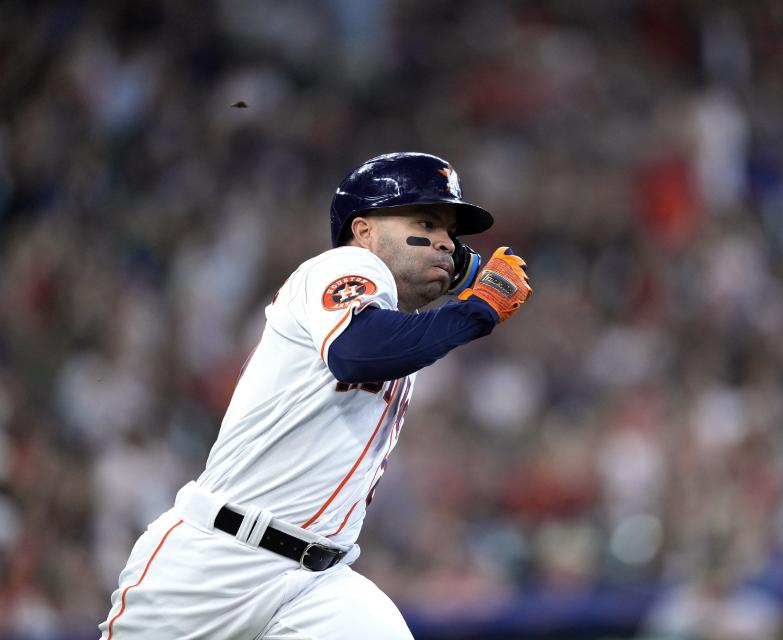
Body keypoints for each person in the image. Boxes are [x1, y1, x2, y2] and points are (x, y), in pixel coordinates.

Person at [99, 152, 532, 639]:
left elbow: (395, 339)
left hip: (319, 583)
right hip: (216, 560)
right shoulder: (341, 267)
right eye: (425, 221)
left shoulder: (402, 324)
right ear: (363, 230)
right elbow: (358, 351)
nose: (443, 242)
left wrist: (465, 289)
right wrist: (478, 308)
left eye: (450, 235)